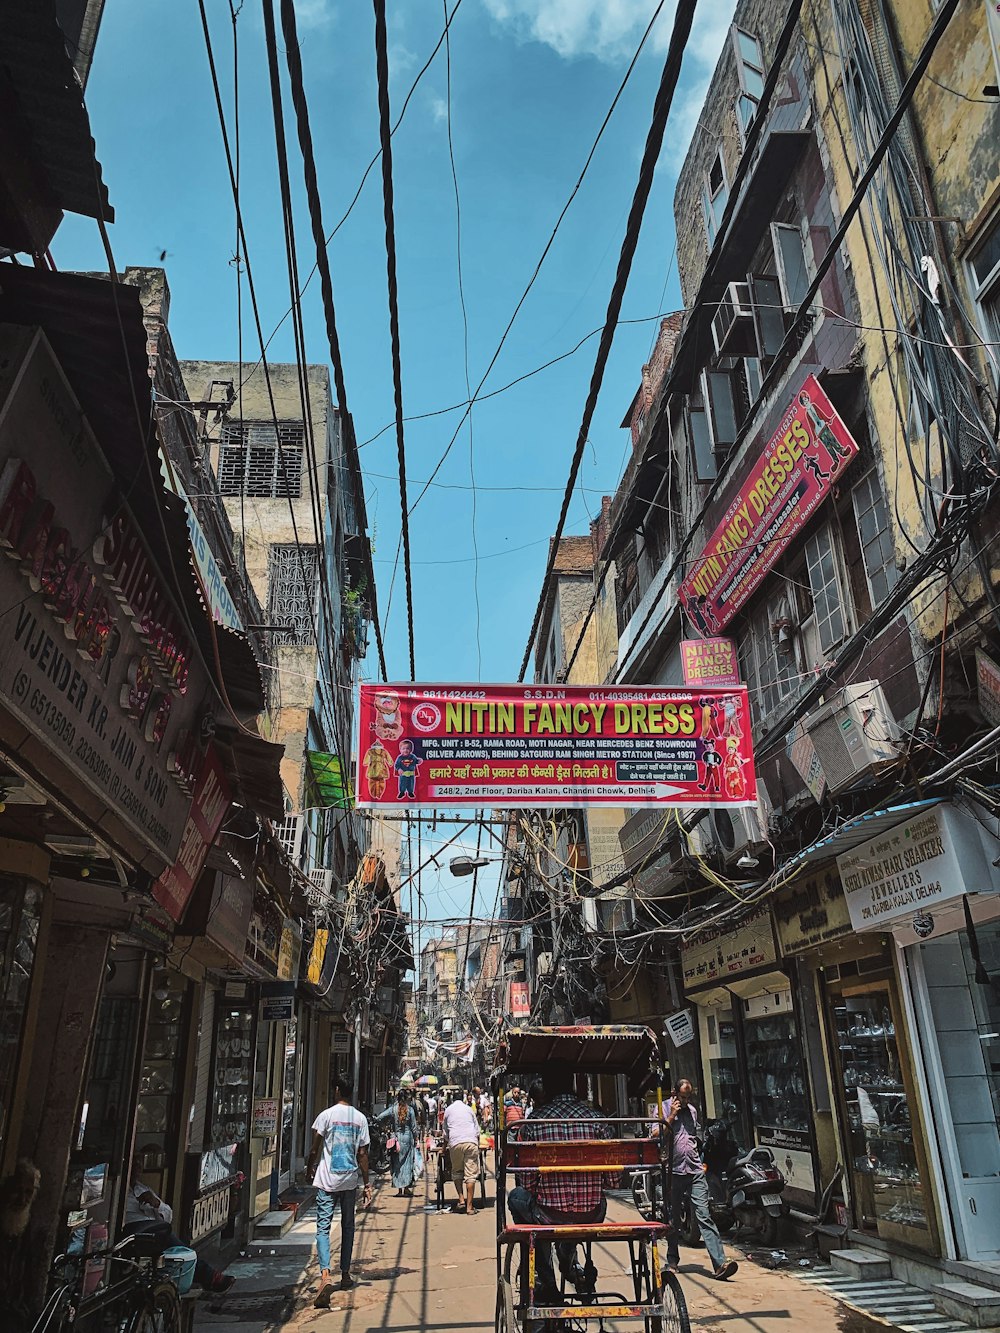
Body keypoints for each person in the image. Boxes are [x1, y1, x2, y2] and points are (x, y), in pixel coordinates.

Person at [507, 1068, 616, 1302]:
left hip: (549, 1215)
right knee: (587, 1206)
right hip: (591, 1214)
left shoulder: (534, 1122)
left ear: (548, 1088)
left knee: (516, 1197)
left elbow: (527, 1182)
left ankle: (546, 1279)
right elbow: (613, 1180)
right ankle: (568, 1262)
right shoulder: (597, 1120)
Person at [655, 1079, 737, 1281]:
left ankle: (719, 1264)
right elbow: (656, 1135)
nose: (684, 1101)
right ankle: (672, 1260)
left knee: (704, 1214)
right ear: (674, 1093)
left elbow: (693, 1136)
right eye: (682, 1097)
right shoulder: (663, 1108)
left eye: (687, 1097)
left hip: (694, 1169)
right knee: (673, 1217)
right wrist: (672, 1115)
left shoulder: (692, 1111)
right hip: (672, 1171)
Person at [307, 1076, 372, 1306]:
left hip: (326, 1180)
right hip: (349, 1181)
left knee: (322, 1228)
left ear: (337, 1091)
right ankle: (345, 1274)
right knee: (348, 1227)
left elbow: (315, 1147)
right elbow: (363, 1155)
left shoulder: (326, 1115)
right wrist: (366, 1183)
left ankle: (325, 1274)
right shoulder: (360, 1118)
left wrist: (309, 1168)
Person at [123, 1170, 235, 1294]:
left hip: (156, 1230)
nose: (137, 1169)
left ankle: (202, 1275)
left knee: (170, 1240)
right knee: (167, 1238)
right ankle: (208, 1276)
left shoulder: (142, 1188)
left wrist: (156, 1204)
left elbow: (168, 1215)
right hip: (134, 1234)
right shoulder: (121, 1190)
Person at [0, 1160, 43, 1333]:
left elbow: (28, 1274)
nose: (22, 1199)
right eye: (17, 1191)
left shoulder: (25, 1225)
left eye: (28, 1193)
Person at [442, 1090, 481, 1215]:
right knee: (471, 1175)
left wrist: (444, 1147)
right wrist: (477, 1144)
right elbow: (477, 1129)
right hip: (471, 1142)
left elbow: (445, 1133)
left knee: (457, 1172)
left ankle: (461, 1199)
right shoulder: (469, 1109)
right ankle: (469, 1207)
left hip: (455, 1143)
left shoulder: (448, 1110)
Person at [378, 1090, 419, 1196]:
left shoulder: (393, 1109)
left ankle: (399, 1189)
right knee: (407, 1163)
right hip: (407, 1138)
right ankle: (406, 1187)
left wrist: (385, 1127)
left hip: (396, 1139)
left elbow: (380, 1117)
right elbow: (414, 1127)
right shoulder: (410, 1110)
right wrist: (416, 1139)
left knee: (397, 1163)